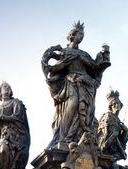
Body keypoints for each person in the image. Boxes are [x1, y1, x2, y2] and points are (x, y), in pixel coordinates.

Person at [42, 21, 111, 149]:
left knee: (88, 111)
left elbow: (94, 68)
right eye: (80, 35)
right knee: (73, 104)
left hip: (86, 85)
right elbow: (57, 68)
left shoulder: (84, 54)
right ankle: (65, 138)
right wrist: (47, 63)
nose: (81, 37)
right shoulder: (65, 52)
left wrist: (102, 57)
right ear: (72, 35)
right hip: (71, 83)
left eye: (82, 35)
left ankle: (83, 138)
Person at [98, 90, 128, 160]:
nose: (116, 106)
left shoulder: (118, 119)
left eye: (118, 104)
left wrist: (125, 131)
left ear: (121, 106)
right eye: (114, 104)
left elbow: (119, 137)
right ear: (110, 106)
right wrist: (122, 152)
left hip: (113, 149)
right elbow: (112, 135)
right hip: (104, 147)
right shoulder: (108, 116)